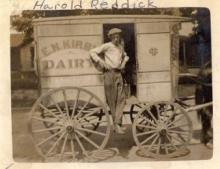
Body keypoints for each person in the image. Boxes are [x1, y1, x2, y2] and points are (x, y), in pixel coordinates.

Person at [89, 28, 129, 134]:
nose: (116, 38)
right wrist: (101, 62)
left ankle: (117, 124)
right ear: (110, 37)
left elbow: (125, 55)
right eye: (114, 37)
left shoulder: (120, 47)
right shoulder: (107, 46)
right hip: (109, 74)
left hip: (118, 74)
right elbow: (92, 52)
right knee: (112, 100)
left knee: (121, 99)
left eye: (117, 36)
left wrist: (124, 62)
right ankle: (116, 125)